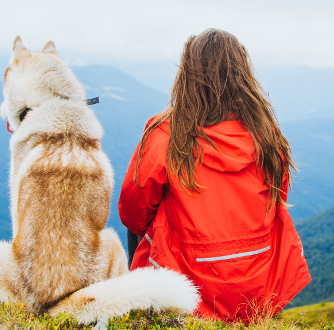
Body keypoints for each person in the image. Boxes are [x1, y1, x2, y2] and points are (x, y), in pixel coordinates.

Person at [118, 28, 310, 322]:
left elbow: (132, 213)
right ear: (242, 75)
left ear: (187, 74)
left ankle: (140, 300)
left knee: (146, 215)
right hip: (259, 285)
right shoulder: (266, 135)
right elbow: (278, 199)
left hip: (187, 287)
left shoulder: (166, 135)